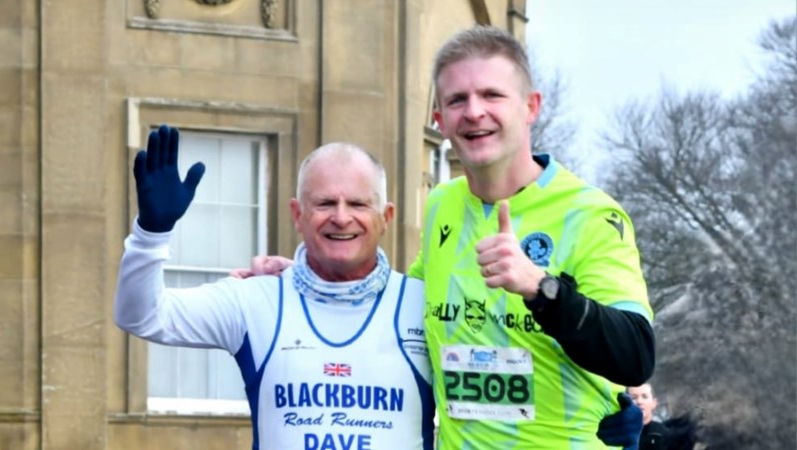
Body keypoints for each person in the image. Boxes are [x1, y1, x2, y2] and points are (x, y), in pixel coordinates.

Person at [238, 26, 654, 449]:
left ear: (531, 107)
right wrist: (314, 279)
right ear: (439, 120)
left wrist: (542, 289)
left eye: (491, 95)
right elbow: (403, 304)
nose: (474, 112)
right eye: (457, 100)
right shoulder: (443, 204)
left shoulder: (589, 214)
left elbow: (637, 354)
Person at [114, 127, 435, 449]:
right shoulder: (255, 299)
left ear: (386, 217)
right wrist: (151, 234)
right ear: (297, 215)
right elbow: (142, 316)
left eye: (357, 204)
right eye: (325, 203)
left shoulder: (424, 305)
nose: (341, 217)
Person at [628, 383, 669, 450]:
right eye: (634, 398)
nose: (639, 402)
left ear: (654, 403)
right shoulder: (617, 433)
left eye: (645, 397)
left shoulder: (664, 434)